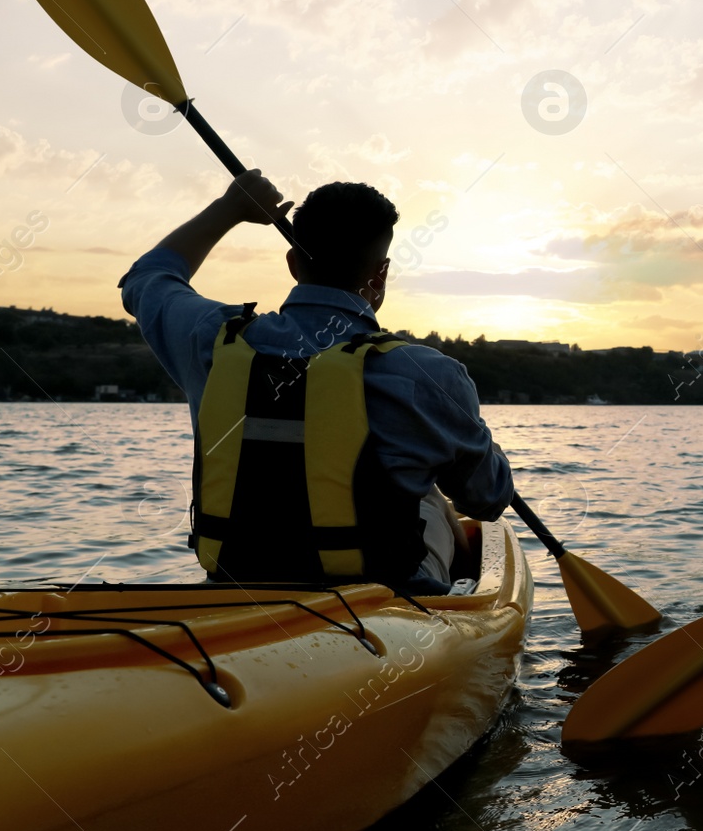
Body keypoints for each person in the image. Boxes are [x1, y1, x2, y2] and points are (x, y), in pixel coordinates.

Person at [120, 169, 513, 592]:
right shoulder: (431, 374)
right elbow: (487, 500)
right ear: (379, 275)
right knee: (430, 497)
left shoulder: (212, 339)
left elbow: (145, 280)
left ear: (293, 264)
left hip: (236, 587)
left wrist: (229, 208)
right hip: (382, 600)